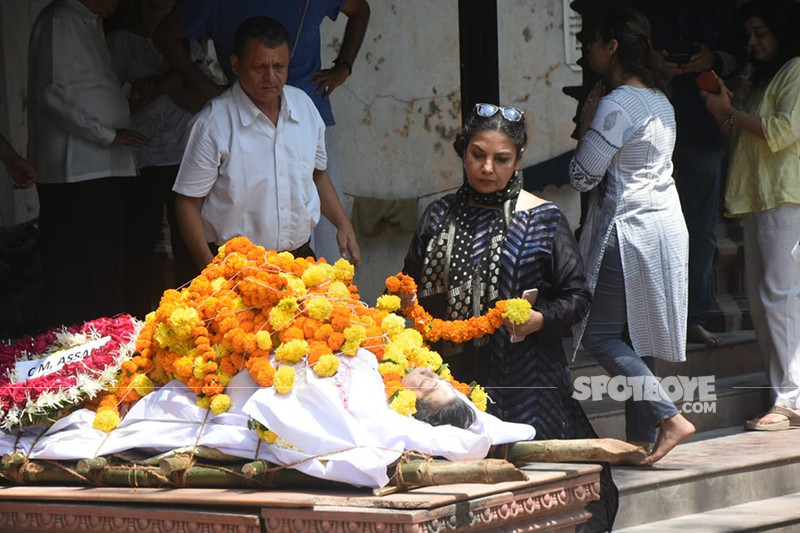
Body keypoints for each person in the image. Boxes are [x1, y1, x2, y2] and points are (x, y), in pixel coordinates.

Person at [401, 103, 617, 531]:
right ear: (462, 153)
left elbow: (577, 296)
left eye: (501, 159)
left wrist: (539, 319)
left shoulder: (541, 220)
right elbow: (409, 289)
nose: (487, 167)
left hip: (527, 382)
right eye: (477, 155)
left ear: (518, 159)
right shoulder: (438, 216)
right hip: (453, 382)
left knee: (536, 489)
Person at [569, 7, 695, 466]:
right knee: (640, 337)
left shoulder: (616, 103)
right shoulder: (660, 100)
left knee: (602, 336)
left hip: (630, 228)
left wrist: (585, 126)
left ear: (612, 47)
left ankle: (669, 417)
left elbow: (583, 175)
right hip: (665, 226)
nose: (586, 49)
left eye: (591, 41)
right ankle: (644, 438)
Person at [155, 0, 370, 262]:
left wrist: (342, 223)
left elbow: (317, 174)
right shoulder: (213, 124)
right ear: (236, 66)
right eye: (259, 67)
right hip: (238, 266)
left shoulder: (305, 107)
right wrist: (208, 268)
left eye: (279, 67)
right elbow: (187, 203)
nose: (271, 78)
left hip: (300, 261)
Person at [701, 0, 800, 431]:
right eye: (751, 34)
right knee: (766, 301)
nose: (753, 42)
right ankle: (784, 391)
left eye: (761, 33)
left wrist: (733, 114)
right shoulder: (767, 77)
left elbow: (783, 130)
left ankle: (791, 398)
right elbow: (745, 134)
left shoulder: (796, 69)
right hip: (760, 195)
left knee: (779, 296)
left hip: (786, 195)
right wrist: (729, 110)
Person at [625, 0, 745, 346]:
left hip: (701, 127)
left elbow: (741, 53)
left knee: (700, 231)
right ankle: (645, 319)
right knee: (643, 226)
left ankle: (692, 317)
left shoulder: (717, 8)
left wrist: (713, 60)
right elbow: (616, 49)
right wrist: (653, 63)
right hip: (647, 127)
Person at [27, 0, 150, 328]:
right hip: (77, 170)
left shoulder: (90, 22)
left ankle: (100, 337)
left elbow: (86, 86)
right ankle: (72, 342)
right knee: (76, 267)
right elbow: (50, 93)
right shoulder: (62, 17)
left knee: (102, 262)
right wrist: (106, 134)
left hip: (105, 165)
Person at [106, 0, 217, 317]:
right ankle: (133, 322)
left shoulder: (188, 44)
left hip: (188, 157)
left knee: (190, 244)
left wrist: (164, 88)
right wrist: (166, 86)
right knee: (139, 243)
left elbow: (206, 97)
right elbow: (115, 106)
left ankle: (190, 317)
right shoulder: (120, 43)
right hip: (142, 157)